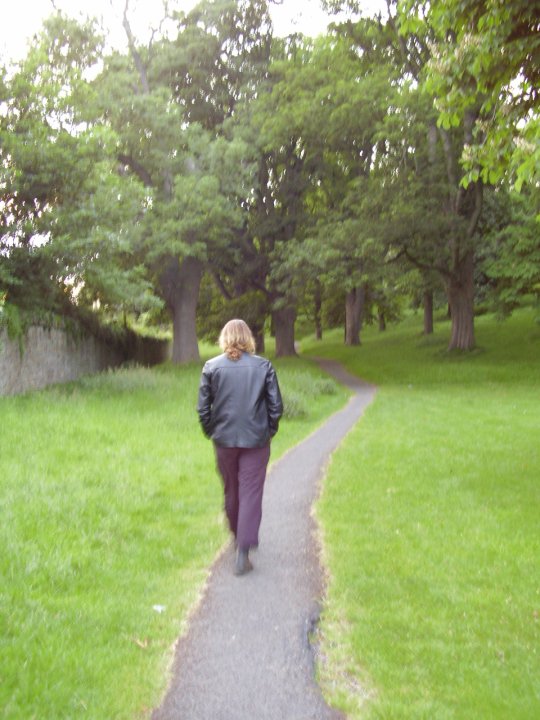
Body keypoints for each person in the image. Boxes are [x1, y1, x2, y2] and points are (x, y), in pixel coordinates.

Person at [197, 319, 283, 576]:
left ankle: (238, 538)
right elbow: (276, 407)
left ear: (225, 339)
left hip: (224, 441)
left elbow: (203, 409)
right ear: (248, 339)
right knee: (250, 492)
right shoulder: (263, 366)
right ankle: (243, 551)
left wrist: (212, 431)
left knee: (231, 490)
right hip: (256, 441)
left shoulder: (211, 367)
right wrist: (268, 431)